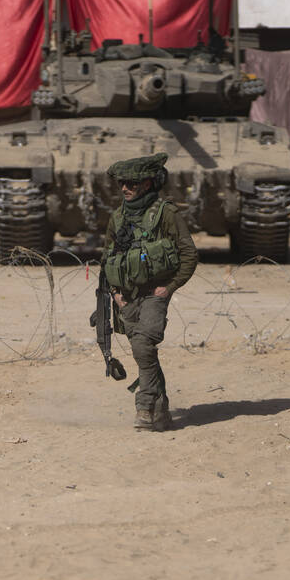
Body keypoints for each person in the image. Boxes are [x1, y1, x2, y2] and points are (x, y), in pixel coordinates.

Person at [102, 153, 198, 432]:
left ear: (148, 183)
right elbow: (107, 258)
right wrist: (115, 293)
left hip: (155, 295)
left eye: (131, 183)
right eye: (122, 183)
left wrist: (169, 288)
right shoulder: (118, 217)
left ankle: (144, 408)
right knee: (144, 353)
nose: (125, 189)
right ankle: (162, 409)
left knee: (144, 346)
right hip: (127, 296)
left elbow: (189, 254)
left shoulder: (166, 214)